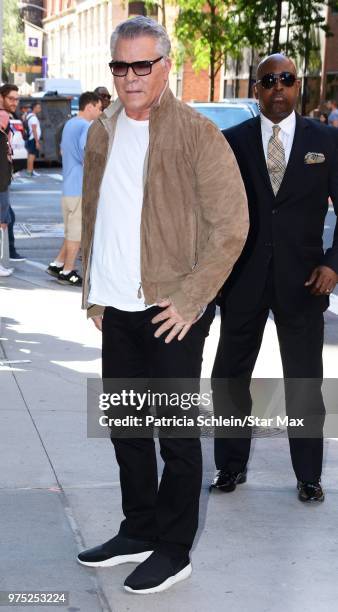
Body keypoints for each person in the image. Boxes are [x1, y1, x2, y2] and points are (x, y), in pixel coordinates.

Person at [77, 16, 248, 594]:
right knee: (127, 428)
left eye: (141, 65)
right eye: (120, 66)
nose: (129, 78)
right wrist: (93, 290)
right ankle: (139, 529)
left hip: (171, 309)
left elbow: (231, 227)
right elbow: (97, 211)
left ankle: (174, 547)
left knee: (174, 434)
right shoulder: (104, 130)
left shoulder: (199, 134)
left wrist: (193, 299)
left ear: (165, 68)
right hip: (117, 308)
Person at [210, 54, 338, 503]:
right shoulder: (232, 142)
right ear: (256, 89)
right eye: (268, 81)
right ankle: (229, 466)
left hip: (304, 282)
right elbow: (214, 213)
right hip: (242, 279)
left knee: (303, 381)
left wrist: (333, 263)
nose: (277, 87)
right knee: (229, 377)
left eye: (286, 79)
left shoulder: (327, 140)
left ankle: (308, 475)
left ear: (298, 85)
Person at [46, 92, 102, 286]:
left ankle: (57, 263)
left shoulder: (70, 124)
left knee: (71, 231)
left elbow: (63, 151)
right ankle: (68, 272)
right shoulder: (87, 126)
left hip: (68, 186)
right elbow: (87, 153)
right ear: (90, 107)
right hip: (80, 187)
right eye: (99, 107)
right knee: (77, 233)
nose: (100, 111)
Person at [0, 83, 25, 265]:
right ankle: (5, 258)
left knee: (8, 217)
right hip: (1, 180)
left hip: (4, 177)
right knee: (4, 220)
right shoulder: (2, 116)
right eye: (11, 98)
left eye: (17, 99)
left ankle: (9, 254)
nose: (15, 102)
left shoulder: (7, 117)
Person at [25, 101, 42, 177]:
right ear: (34, 108)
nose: (40, 109)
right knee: (32, 155)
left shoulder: (29, 116)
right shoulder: (33, 118)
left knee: (30, 155)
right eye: (38, 107)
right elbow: (34, 130)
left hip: (31, 138)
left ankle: (31, 170)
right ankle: (29, 171)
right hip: (33, 138)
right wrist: (37, 141)